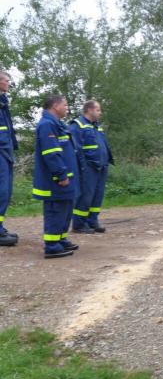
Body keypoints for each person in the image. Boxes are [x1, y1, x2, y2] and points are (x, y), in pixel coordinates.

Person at [33, 95, 80, 258]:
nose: (67, 108)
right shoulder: (47, 125)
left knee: (65, 209)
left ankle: (60, 239)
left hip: (66, 177)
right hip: (56, 180)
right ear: (55, 106)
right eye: (65, 105)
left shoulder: (57, 124)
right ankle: (52, 246)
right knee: (56, 210)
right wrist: (61, 174)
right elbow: (51, 153)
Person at [70, 100, 114, 234]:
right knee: (85, 196)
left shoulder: (96, 126)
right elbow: (76, 149)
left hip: (101, 166)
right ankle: (79, 224)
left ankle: (92, 221)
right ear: (89, 110)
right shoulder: (77, 125)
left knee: (97, 196)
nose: (100, 113)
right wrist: (82, 167)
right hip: (88, 168)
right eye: (98, 110)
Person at [0, 71, 19, 247]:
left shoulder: (3, 102)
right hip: (1, 153)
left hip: (6, 153)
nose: (9, 83)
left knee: (5, 192)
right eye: (7, 80)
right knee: (2, 191)